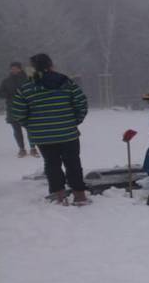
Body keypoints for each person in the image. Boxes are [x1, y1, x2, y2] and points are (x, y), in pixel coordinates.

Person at [10, 54, 89, 205]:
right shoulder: (66, 82)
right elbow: (81, 102)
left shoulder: (27, 87)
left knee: (52, 164)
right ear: (51, 65)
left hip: (43, 135)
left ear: (33, 68)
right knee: (73, 163)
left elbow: (18, 112)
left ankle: (59, 196)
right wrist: (74, 121)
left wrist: (31, 125)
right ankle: (80, 196)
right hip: (68, 133)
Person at [0, 62, 35, 158]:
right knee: (16, 130)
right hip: (12, 108)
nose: (13, 70)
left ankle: (33, 148)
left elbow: (34, 90)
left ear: (20, 69)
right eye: (12, 68)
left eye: (15, 68)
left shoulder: (28, 79)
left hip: (27, 107)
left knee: (30, 129)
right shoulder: (6, 81)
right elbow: (0, 94)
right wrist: (9, 94)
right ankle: (22, 149)